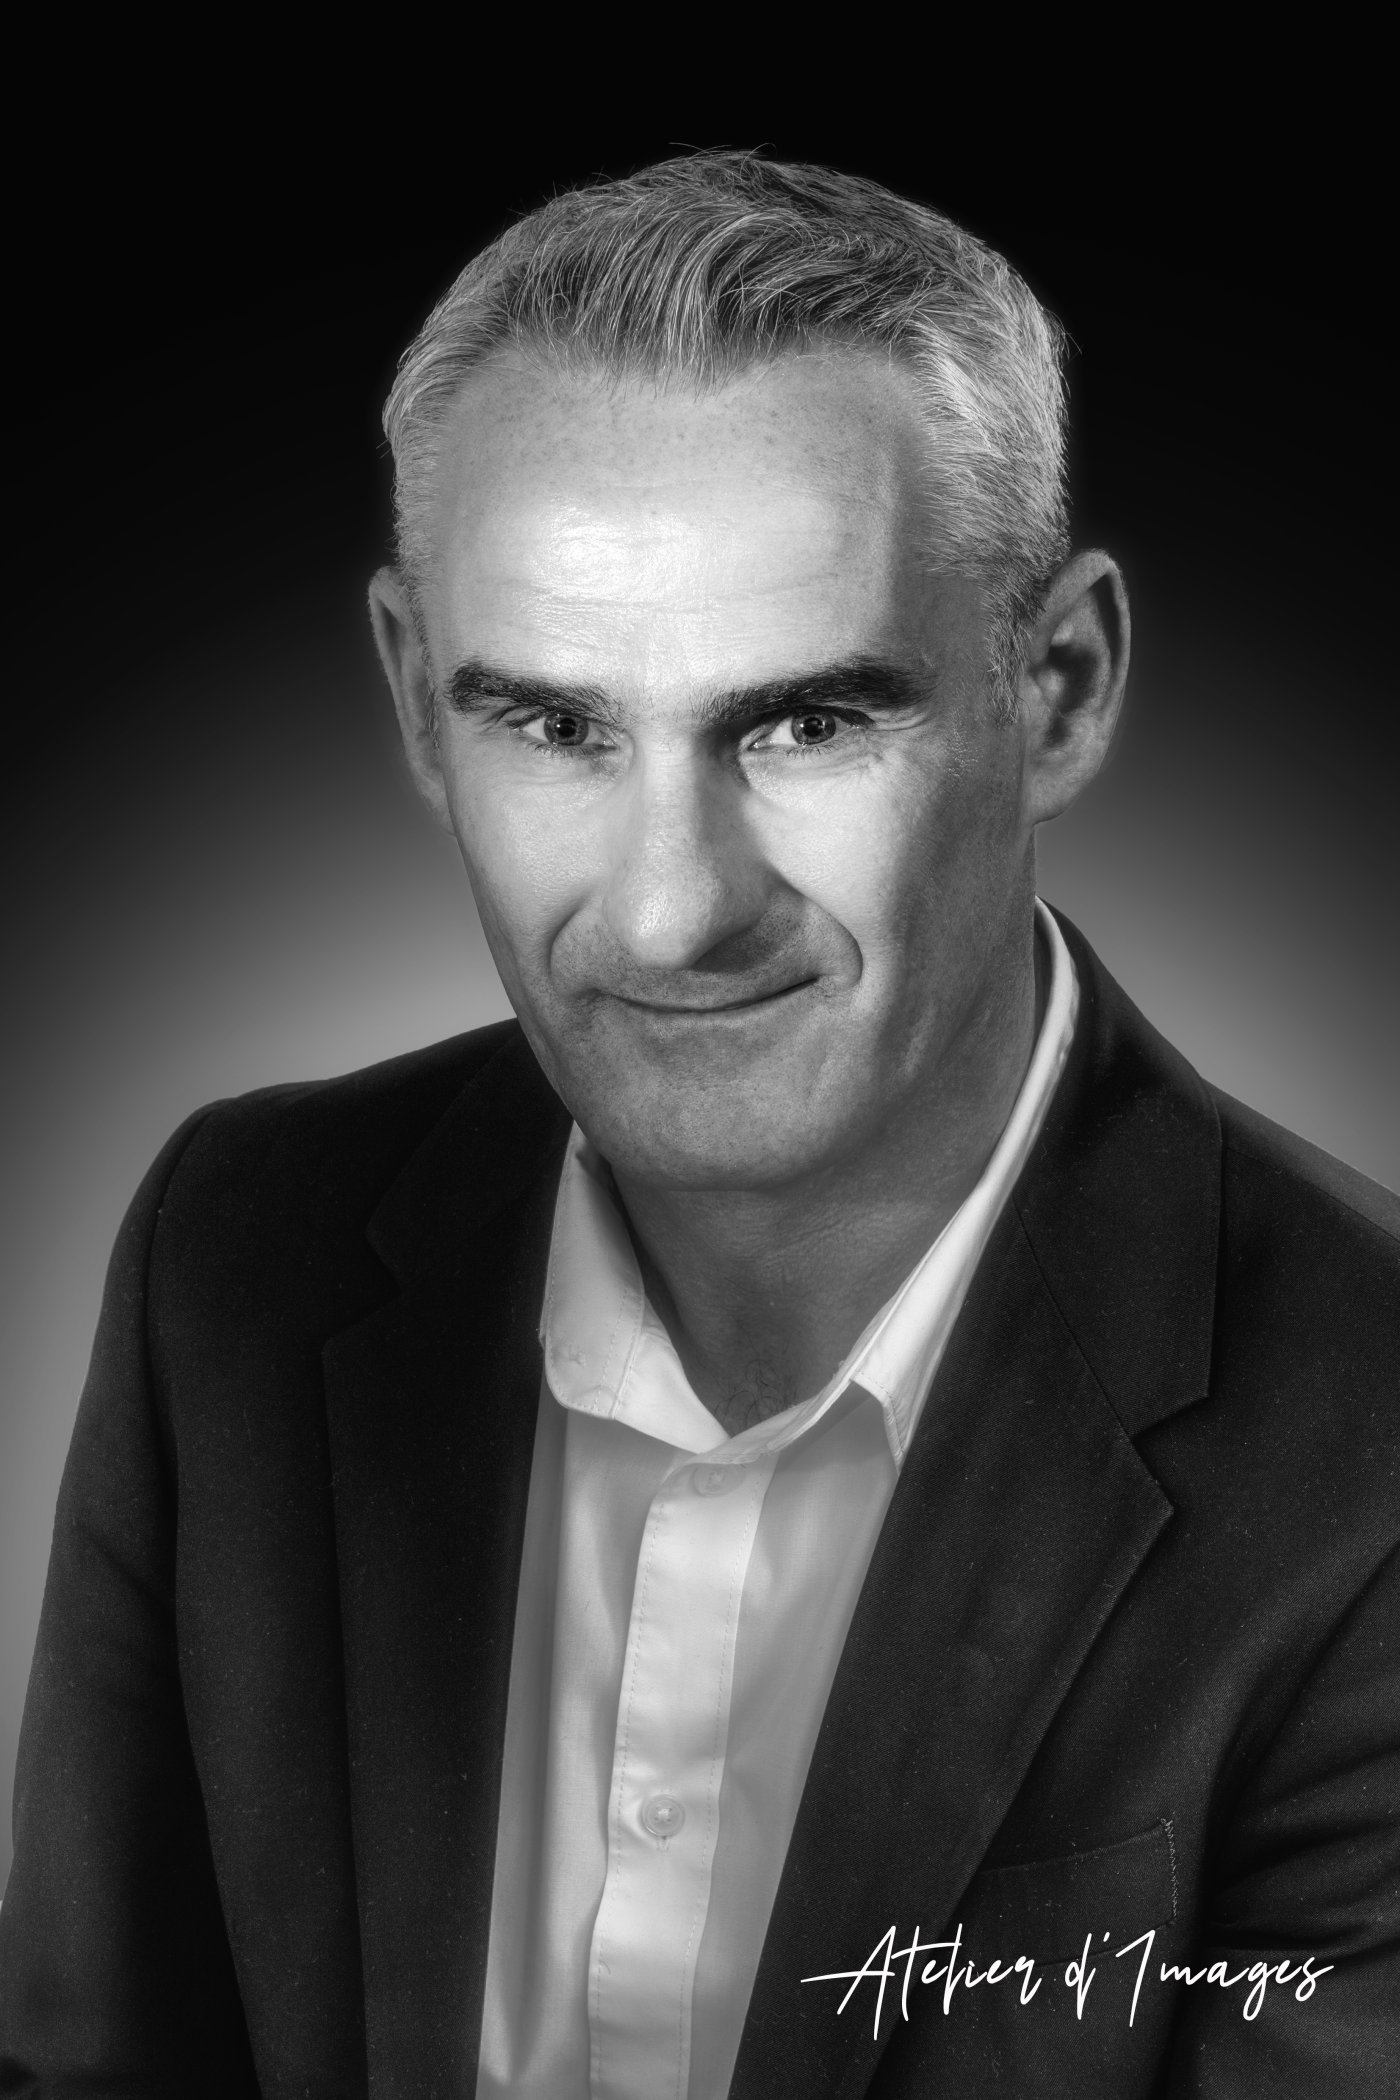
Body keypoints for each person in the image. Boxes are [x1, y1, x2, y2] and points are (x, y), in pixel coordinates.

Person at [0, 150, 1395, 2100]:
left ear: (1061, 690)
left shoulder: (1371, 1459)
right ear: (414, 697)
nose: (669, 912)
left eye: (806, 724)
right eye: (555, 727)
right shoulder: (236, 1253)